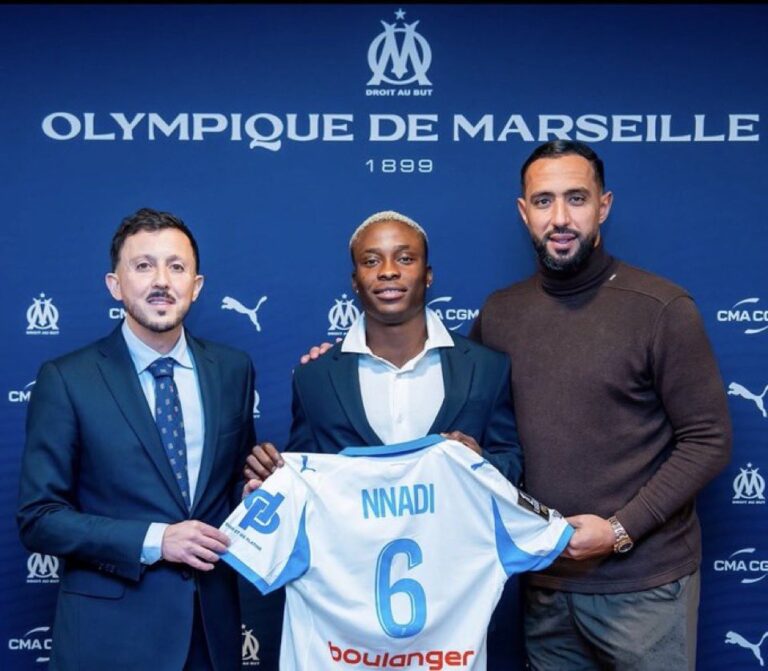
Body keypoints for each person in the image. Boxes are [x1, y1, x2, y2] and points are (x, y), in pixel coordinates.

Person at [470, 140, 732, 670]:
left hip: (646, 590)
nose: (560, 219)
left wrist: (618, 530)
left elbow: (709, 439)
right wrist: (340, 362)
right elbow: (452, 399)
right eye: (543, 201)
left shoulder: (661, 308)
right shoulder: (500, 314)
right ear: (523, 211)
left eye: (576, 199)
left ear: (603, 205)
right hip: (545, 586)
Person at [17, 208, 256, 671]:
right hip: (109, 641)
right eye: (143, 266)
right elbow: (40, 519)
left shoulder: (233, 370)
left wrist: (249, 498)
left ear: (196, 285)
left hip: (211, 635)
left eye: (176, 267)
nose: (161, 281)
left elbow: (226, 491)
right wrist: (155, 539)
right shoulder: (67, 379)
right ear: (115, 284)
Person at [245, 210, 523, 488]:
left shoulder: (487, 368)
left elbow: (512, 466)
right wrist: (274, 477)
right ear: (355, 281)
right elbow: (304, 480)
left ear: (428, 275)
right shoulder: (314, 378)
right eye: (371, 261)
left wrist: (480, 460)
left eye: (405, 258)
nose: (388, 271)